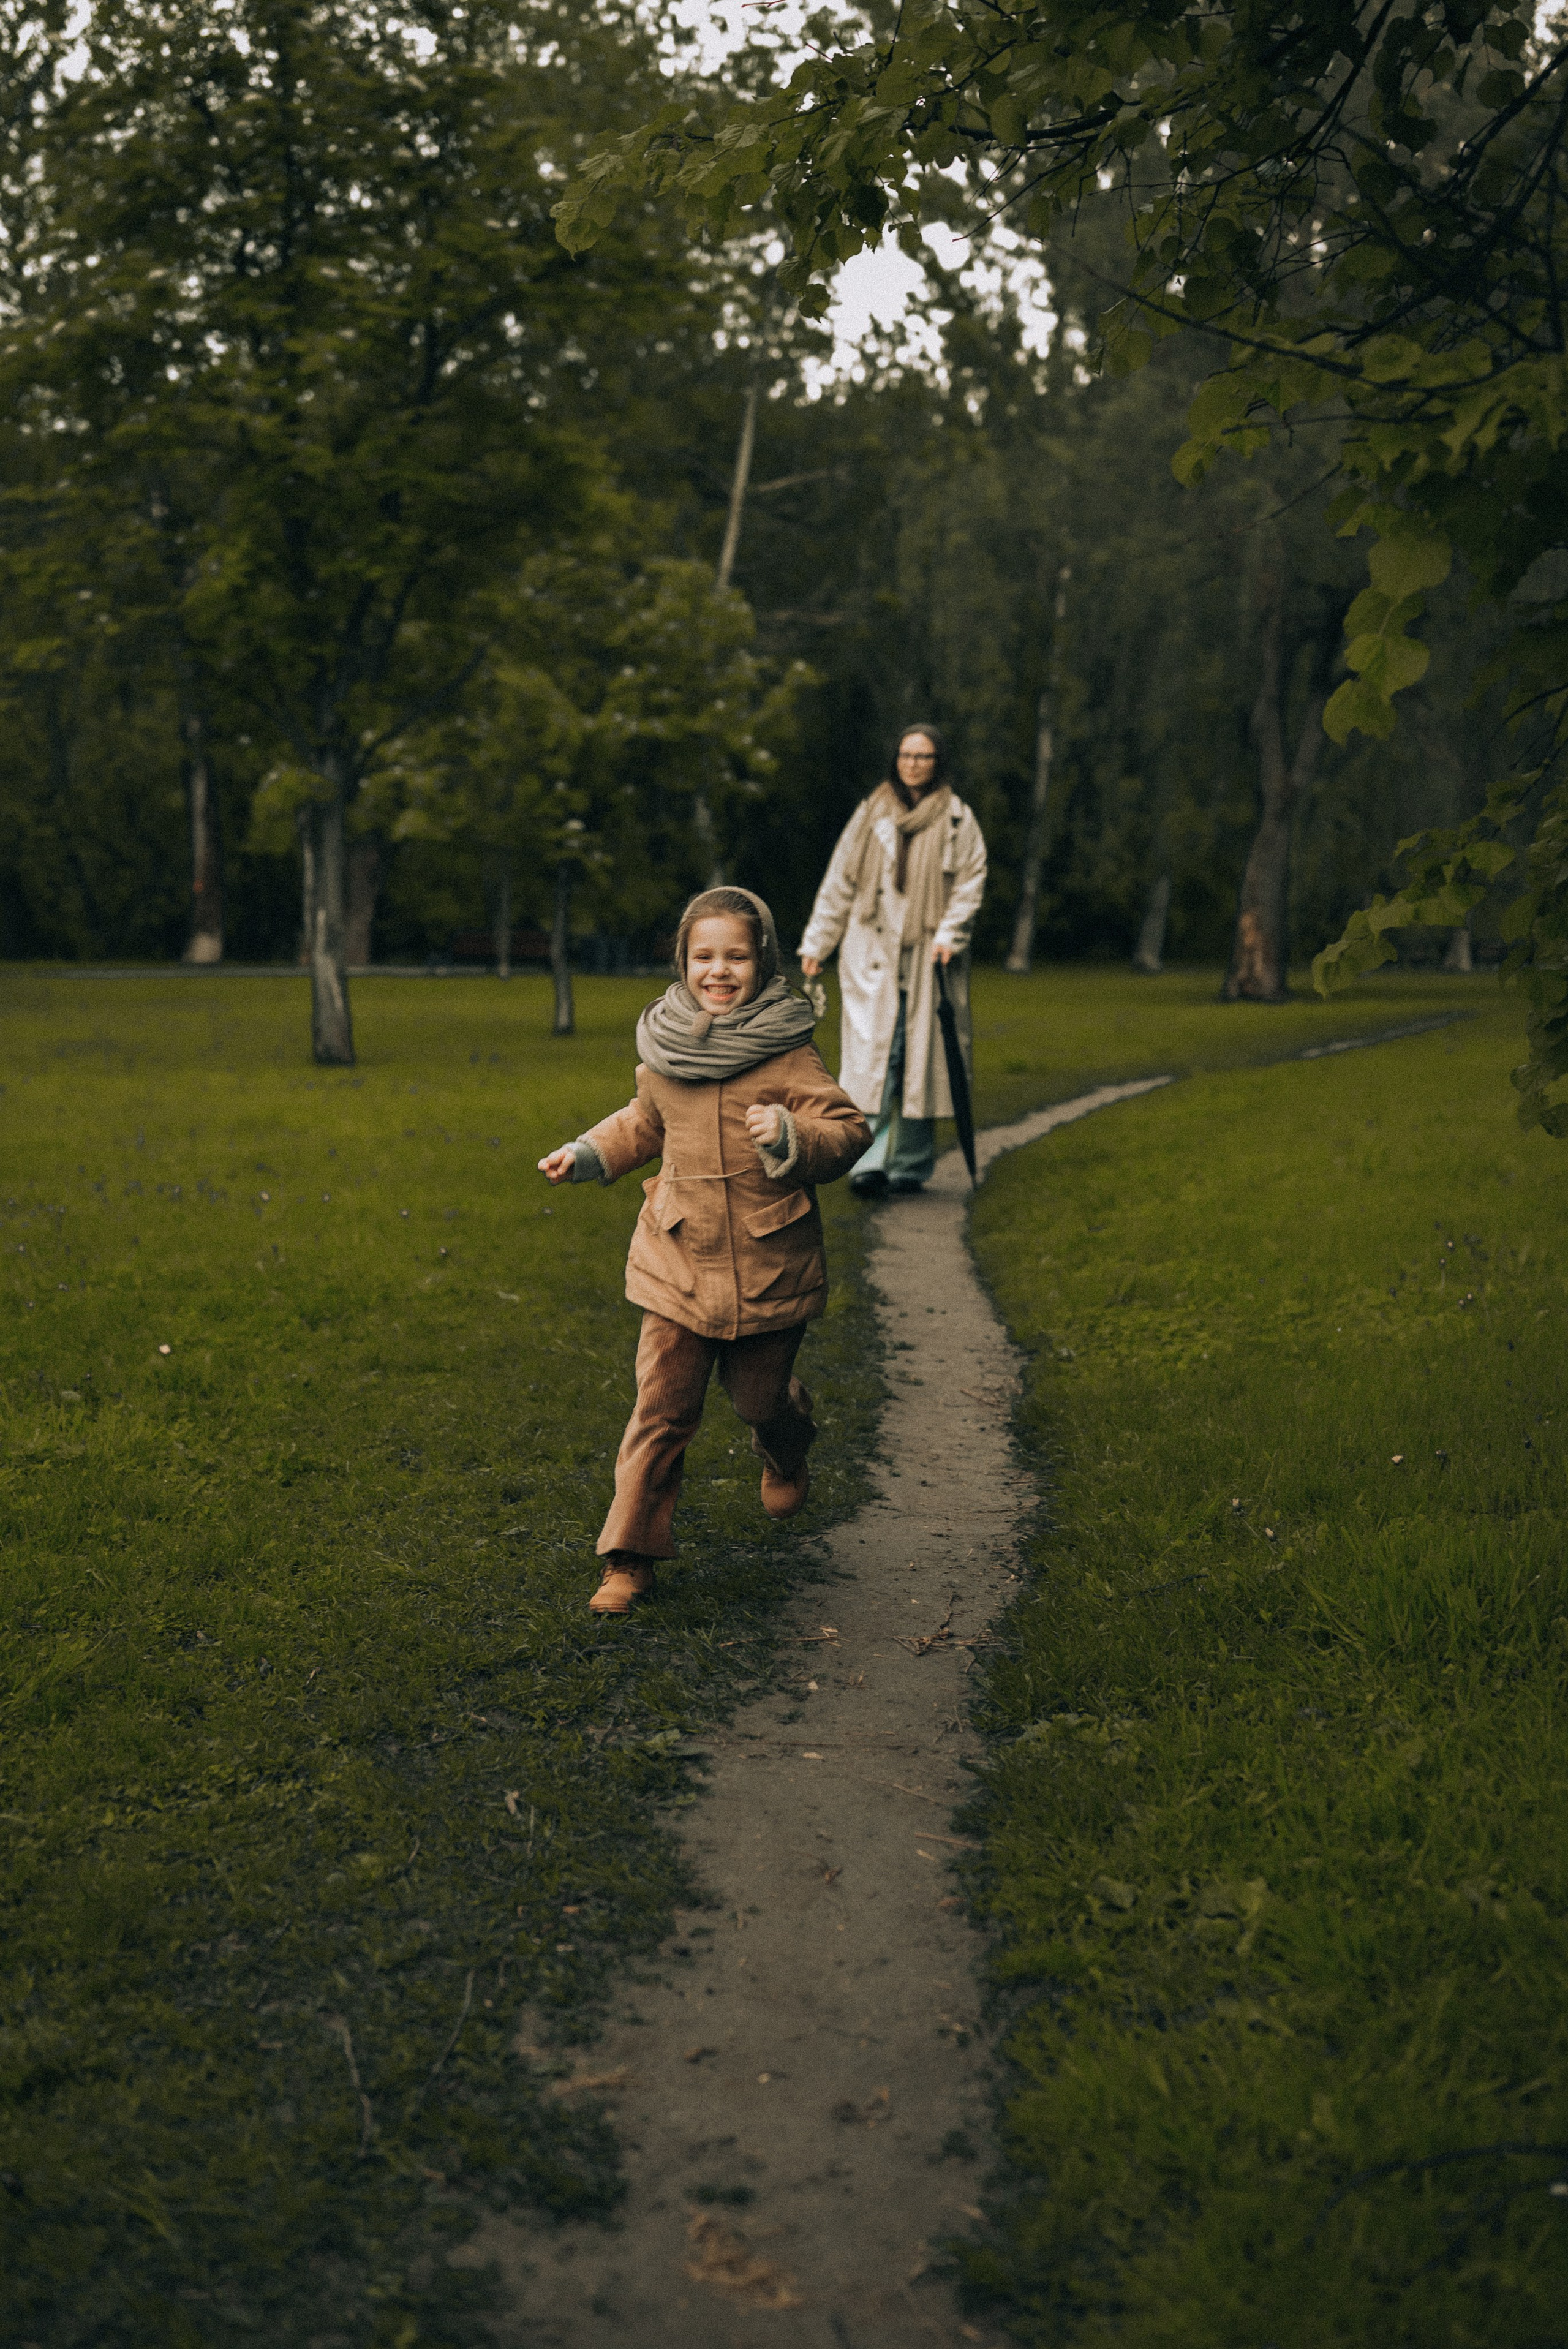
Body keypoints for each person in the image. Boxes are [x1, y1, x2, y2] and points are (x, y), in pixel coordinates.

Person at [538, 886, 870, 1615]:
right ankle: (628, 1559)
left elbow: (847, 1131)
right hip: (677, 1262)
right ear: (684, 963)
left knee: (758, 1399)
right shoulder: (664, 1051)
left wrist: (791, 1134)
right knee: (661, 1408)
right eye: (704, 957)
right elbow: (642, 1122)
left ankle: (785, 1441)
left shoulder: (788, 1050)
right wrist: (588, 1151)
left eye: (736, 957)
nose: (718, 971)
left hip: (767, 1263)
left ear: (763, 962)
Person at [798, 724, 987, 1196]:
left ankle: (910, 1165)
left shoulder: (958, 819)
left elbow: (970, 883)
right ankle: (868, 1162)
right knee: (875, 1059)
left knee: (922, 1059)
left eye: (924, 756)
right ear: (896, 759)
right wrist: (817, 944)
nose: (914, 764)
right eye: (907, 754)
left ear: (938, 762)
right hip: (873, 954)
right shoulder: (871, 813)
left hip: (928, 956)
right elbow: (840, 881)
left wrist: (949, 935)